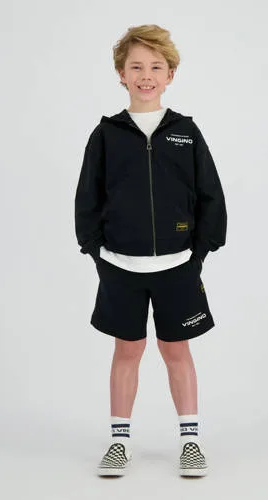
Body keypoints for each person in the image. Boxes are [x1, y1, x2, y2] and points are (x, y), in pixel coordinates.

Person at [75, 24, 227, 477]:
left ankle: (191, 442)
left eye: (156, 67)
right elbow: (87, 197)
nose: (146, 76)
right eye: (136, 67)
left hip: (178, 265)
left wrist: (199, 253)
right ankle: (119, 442)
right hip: (120, 265)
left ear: (170, 75)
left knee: (176, 350)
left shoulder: (186, 132)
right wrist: (97, 252)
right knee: (127, 350)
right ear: (121, 74)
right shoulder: (106, 134)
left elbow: (210, 195)